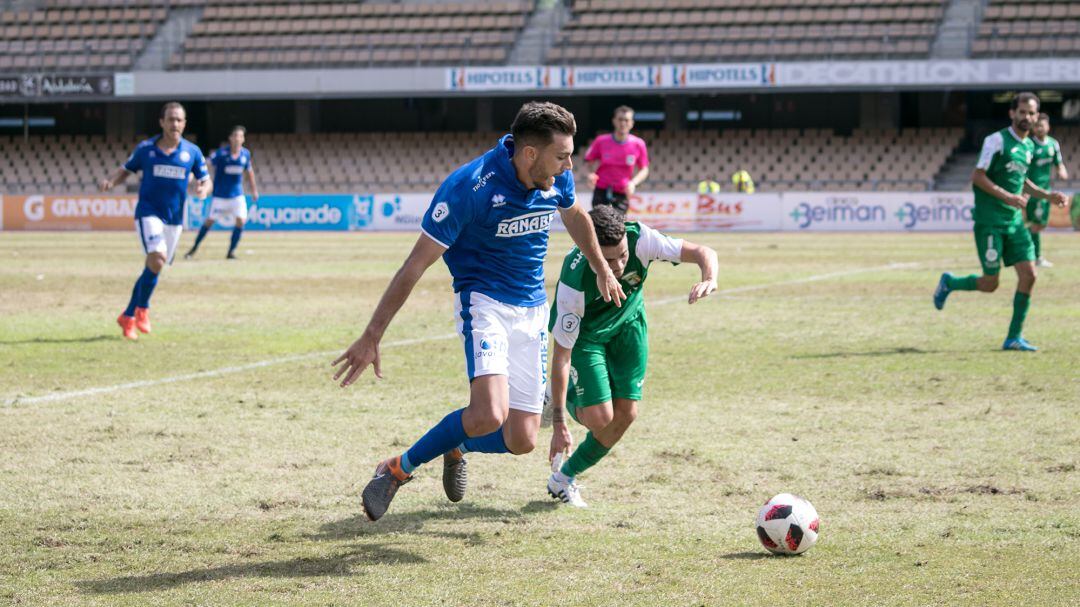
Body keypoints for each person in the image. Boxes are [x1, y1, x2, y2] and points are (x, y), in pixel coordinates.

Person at [331, 102, 626, 522]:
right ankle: (398, 469)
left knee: (523, 439)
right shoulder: (469, 188)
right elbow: (414, 266)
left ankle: (457, 444)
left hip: (532, 310)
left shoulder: (554, 176)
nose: (569, 165)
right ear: (530, 153)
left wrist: (601, 268)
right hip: (484, 304)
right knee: (488, 413)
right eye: (562, 156)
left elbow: (576, 214)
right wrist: (372, 335)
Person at [545, 204, 718, 507]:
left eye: (623, 256)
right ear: (590, 251)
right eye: (609, 260)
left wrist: (709, 278)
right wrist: (559, 422)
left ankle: (563, 479)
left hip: (629, 328)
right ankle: (554, 397)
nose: (619, 266)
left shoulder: (642, 239)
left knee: (626, 414)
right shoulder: (574, 282)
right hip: (587, 339)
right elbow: (561, 357)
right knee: (600, 418)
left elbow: (704, 252)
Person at [933, 92, 1069, 351]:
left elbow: (1022, 180)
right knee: (990, 284)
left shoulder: (1029, 146)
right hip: (990, 222)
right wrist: (1008, 197)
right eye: (1022, 112)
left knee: (1029, 275)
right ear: (1012, 113)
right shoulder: (995, 141)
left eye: (1031, 113)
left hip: (1014, 222)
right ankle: (950, 282)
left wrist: (1047, 195)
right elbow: (978, 176)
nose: (1027, 117)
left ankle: (1013, 337)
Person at [100, 102, 211, 341]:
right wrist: (111, 182)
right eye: (170, 119)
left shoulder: (192, 152)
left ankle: (128, 315)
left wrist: (204, 188)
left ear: (184, 124)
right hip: (149, 213)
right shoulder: (146, 149)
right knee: (158, 258)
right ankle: (142, 309)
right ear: (162, 122)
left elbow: (205, 178)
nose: (175, 124)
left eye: (179, 120)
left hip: (175, 218)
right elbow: (126, 169)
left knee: (154, 265)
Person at [185, 125, 259, 260]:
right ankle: (193, 249)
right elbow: (206, 163)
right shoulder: (221, 154)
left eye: (240, 136)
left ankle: (231, 252)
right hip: (220, 196)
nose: (238, 138)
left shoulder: (245, 154)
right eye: (235, 136)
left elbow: (250, 172)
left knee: (241, 221)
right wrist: (194, 174)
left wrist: (254, 190)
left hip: (237, 195)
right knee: (209, 222)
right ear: (230, 138)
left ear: (243, 139)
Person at [585, 105, 649, 214]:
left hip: (622, 193)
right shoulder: (601, 141)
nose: (623, 123)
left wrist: (633, 183)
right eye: (620, 119)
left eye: (626, 120)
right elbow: (588, 161)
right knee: (599, 223)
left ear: (632, 123)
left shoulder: (638, 144)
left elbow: (644, 169)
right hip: (601, 191)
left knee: (618, 224)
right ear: (614, 121)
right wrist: (590, 174)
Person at [1025, 113, 1068, 267]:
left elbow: (1058, 162)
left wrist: (1062, 170)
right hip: (1033, 191)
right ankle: (1035, 257)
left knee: (1039, 224)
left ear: (1048, 127)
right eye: (1036, 126)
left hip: (1047, 191)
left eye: (1042, 125)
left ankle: (1025, 248)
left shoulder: (1053, 144)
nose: (1039, 128)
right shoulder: (1029, 145)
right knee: (1036, 224)